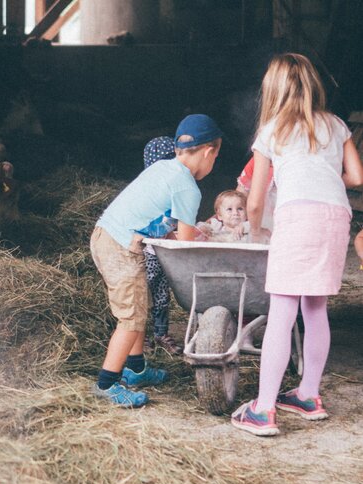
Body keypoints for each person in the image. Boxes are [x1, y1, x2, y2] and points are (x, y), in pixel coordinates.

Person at [231, 53, 363, 436]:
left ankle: (264, 409)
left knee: (284, 308)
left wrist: (257, 232)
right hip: (336, 216)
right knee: (315, 304)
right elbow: (356, 175)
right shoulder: (336, 124)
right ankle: (307, 394)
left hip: (297, 218)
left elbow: (254, 201)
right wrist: (322, 172)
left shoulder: (272, 130)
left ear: (273, 89)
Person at [90, 114, 223, 407]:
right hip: (120, 246)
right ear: (209, 152)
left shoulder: (164, 167)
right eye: (216, 157)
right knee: (131, 317)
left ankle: (136, 369)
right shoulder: (188, 186)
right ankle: (107, 383)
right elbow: (186, 241)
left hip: (106, 236)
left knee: (138, 307)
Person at [142, 136, 182, 354]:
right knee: (144, 294)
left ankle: (161, 334)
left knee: (161, 295)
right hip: (147, 252)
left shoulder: (173, 191)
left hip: (163, 253)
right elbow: (150, 224)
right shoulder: (146, 191)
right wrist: (170, 232)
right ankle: (143, 336)